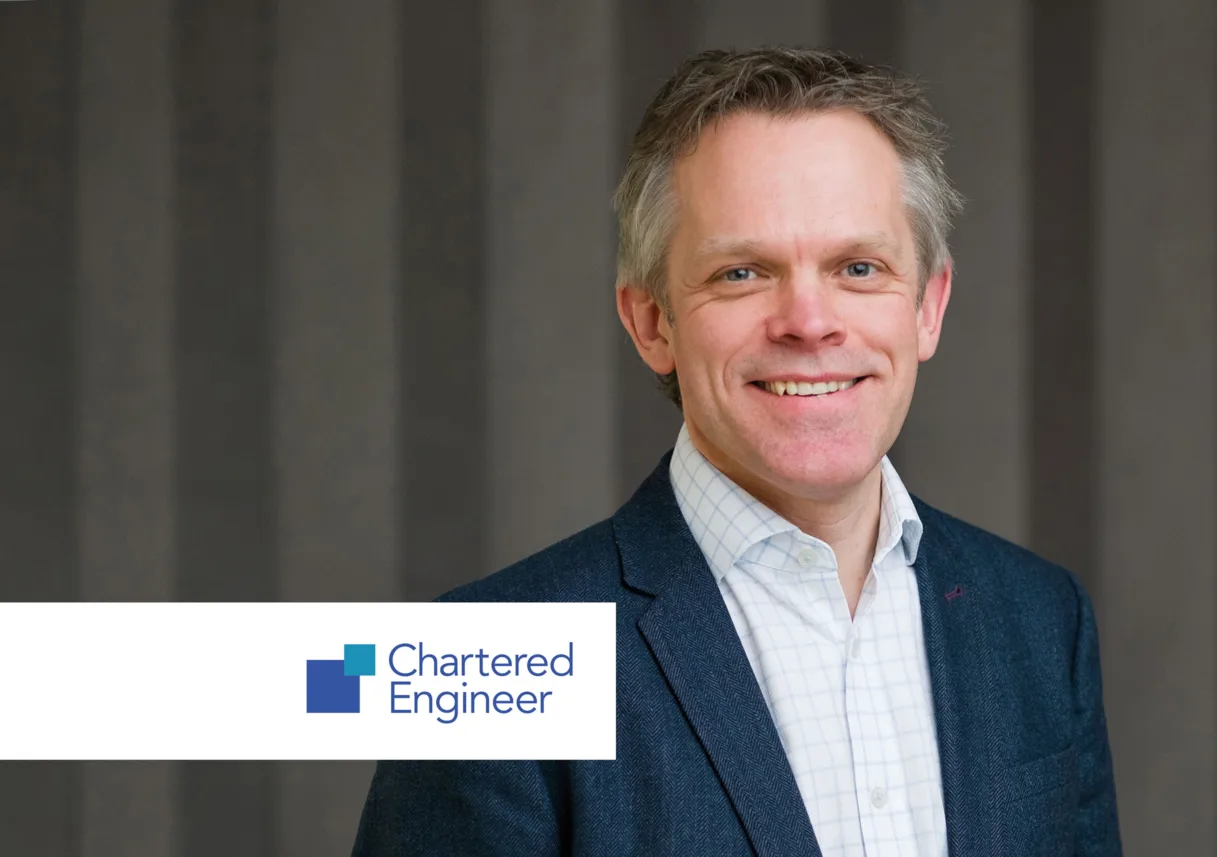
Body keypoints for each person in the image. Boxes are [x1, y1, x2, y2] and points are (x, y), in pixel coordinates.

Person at [352, 46, 1121, 857]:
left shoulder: (1039, 620)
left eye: (859, 266)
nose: (809, 320)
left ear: (928, 307)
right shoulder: (491, 659)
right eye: (743, 272)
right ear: (652, 322)